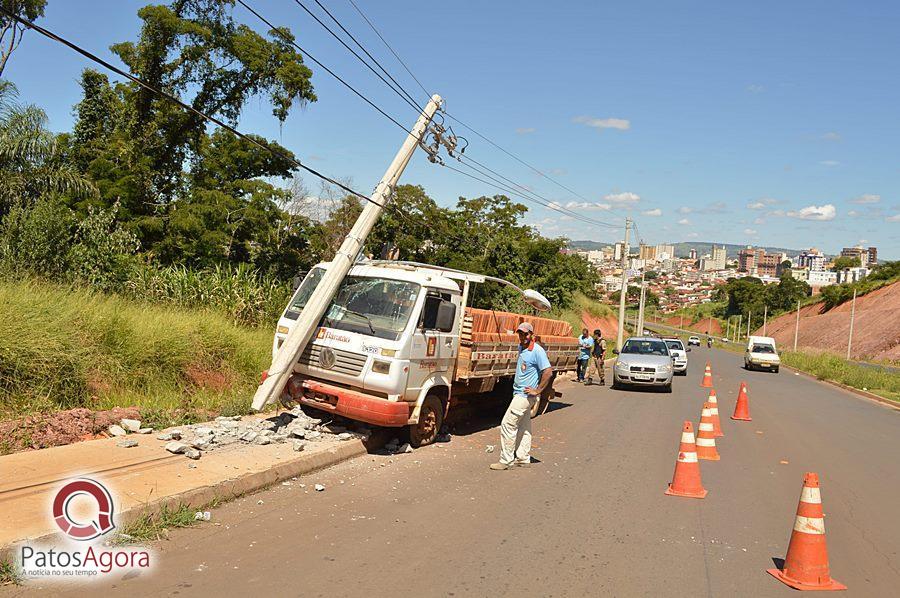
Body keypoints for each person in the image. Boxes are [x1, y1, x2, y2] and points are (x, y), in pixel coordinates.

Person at [490, 322, 552, 470]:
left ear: (532, 335)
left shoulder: (537, 351)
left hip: (524, 396)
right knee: (524, 427)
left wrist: (537, 390)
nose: (522, 337)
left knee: (507, 424)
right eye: (520, 334)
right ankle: (523, 458)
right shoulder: (521, 347)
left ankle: (506, 460)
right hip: (519, 393)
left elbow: (548, 371)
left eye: (526, 334)